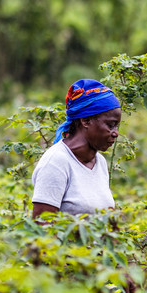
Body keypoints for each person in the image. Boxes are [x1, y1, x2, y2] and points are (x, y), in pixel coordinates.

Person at [31, 79, 122, 218]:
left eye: (117, 126)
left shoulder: (100, 162)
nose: (116, 133)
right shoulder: (56, 162)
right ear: (85, 121)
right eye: (110, 125)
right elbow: (42, 228)